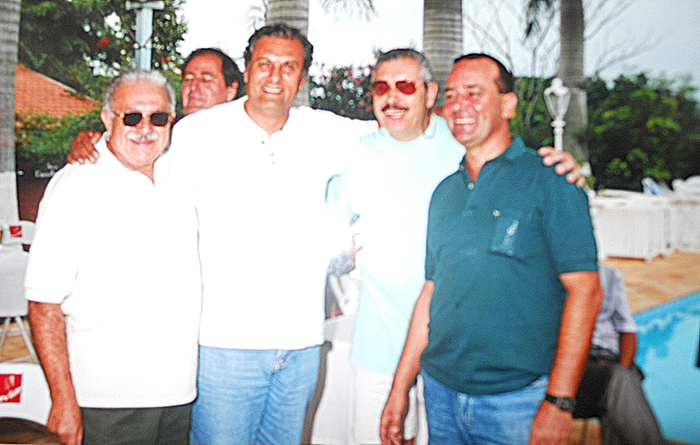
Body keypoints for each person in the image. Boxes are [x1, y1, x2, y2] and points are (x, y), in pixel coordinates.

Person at [330, 48, 587, 445]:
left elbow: (585, 291)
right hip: (412, 366)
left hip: (502, 388)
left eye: (405, 86)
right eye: (382, 86)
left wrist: (560, 401)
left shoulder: (520, 168)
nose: (460, 105)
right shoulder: (375, 158)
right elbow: (430, 291)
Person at [25, 70, 201, 445]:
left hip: (179, 396)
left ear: (172, 120)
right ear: (108, 119)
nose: (145, 128)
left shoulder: (182, 178)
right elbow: (43, 302)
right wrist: (63, 399)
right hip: (104, 402)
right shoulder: (75, 186)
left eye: (158, 117)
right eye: (132, 116)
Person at [67, 47, 243, 163]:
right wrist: (87, 146)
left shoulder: (246, 141)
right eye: (188, 79)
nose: (194, 87)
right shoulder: (158, 134)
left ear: (231, 90)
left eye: (206, 79)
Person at [574, 263, 667, 445]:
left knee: (623, 382)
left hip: (608, 360)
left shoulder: (608, 275)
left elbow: (628, 330)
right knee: (621, 383)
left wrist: (622, 367)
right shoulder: (544, 276)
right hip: (576, 365)